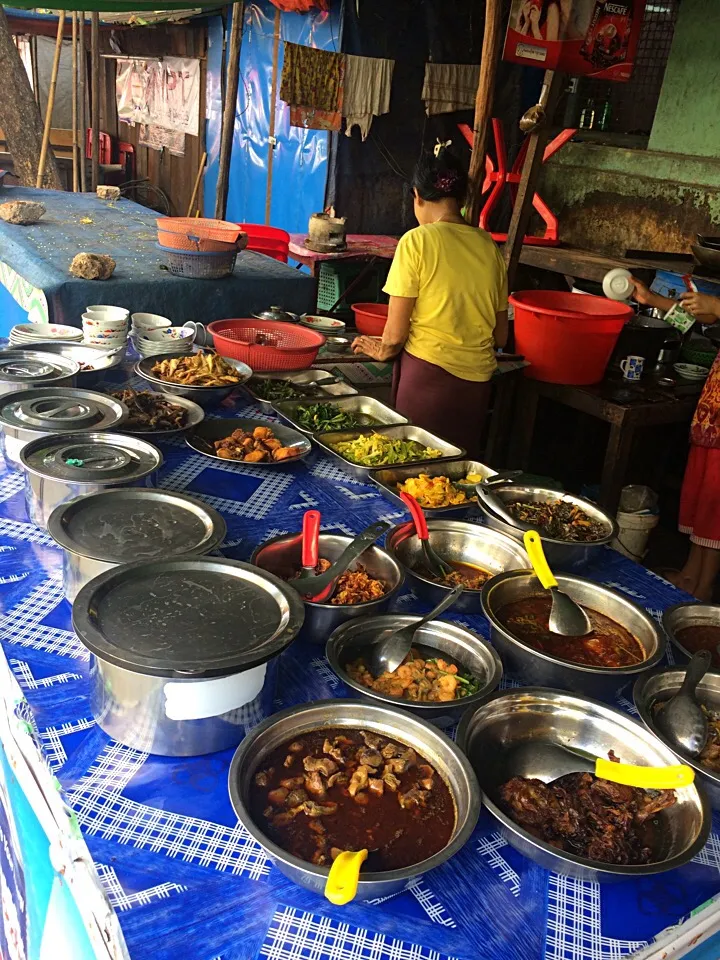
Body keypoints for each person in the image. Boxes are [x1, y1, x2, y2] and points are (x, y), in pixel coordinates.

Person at [351, 147, 508, 459]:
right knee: (455, 477)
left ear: (417, 196)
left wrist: (381, 349)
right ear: (462, 199)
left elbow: (393, 337)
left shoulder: (416, 241)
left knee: (412, 468)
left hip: (428, 380)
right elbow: (500, 336)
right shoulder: (487, 245)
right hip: (476, 387)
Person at [633, 280, 720, 599]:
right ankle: (690, 574)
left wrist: (716, 306)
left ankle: (703, 588)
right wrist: (652, 298)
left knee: (716, 505)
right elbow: (701, 322)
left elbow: (713, 312)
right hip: (713, 415)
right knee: (702, 498)